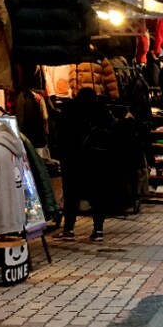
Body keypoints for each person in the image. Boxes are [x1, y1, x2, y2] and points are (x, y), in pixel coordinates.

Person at [56, 87, 114, 241]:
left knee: (71, 195)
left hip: (73, 159)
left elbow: (61, 133)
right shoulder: (101, 109)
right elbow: (112, 129)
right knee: (97, 195)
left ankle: (69, 229)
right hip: (97, 160)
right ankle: (98, 230)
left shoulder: (70, 109)